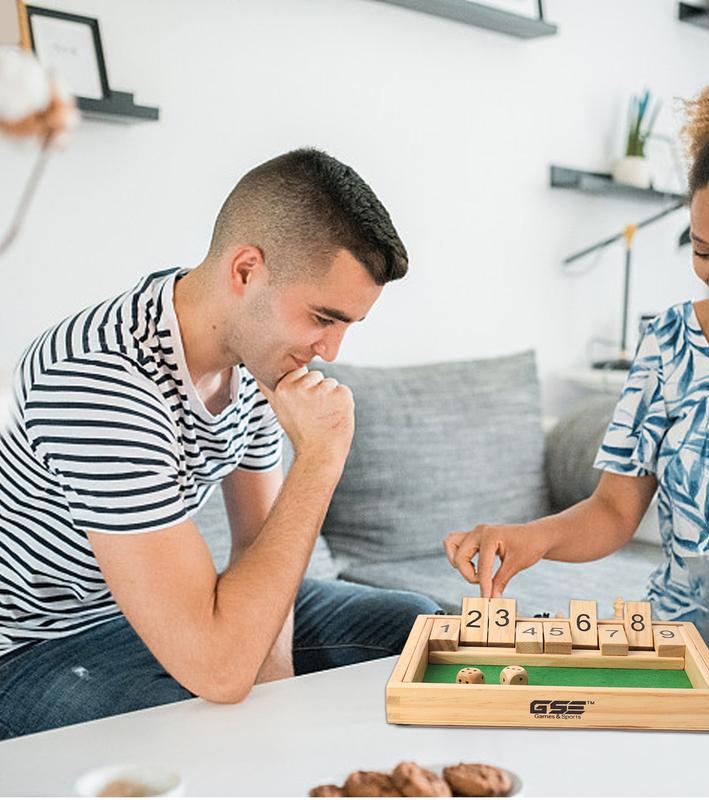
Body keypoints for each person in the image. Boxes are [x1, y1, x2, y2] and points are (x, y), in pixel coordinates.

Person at [0, 148, 438, 739]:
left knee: (419, 629)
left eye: (346, 327)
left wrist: (278, 687)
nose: (331, 353)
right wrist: (322, 456)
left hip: (160, 612)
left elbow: (260, 547)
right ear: (245, 271)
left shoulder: (254, 357)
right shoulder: (96, 374)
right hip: (35, 645)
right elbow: (219, 668)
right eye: (322, 317)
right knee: (202, 721)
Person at [444, 48, 709, 683]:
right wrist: (531, 540)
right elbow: (613, 511)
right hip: (675, 647)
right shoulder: (670, 343)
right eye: (701, 250)